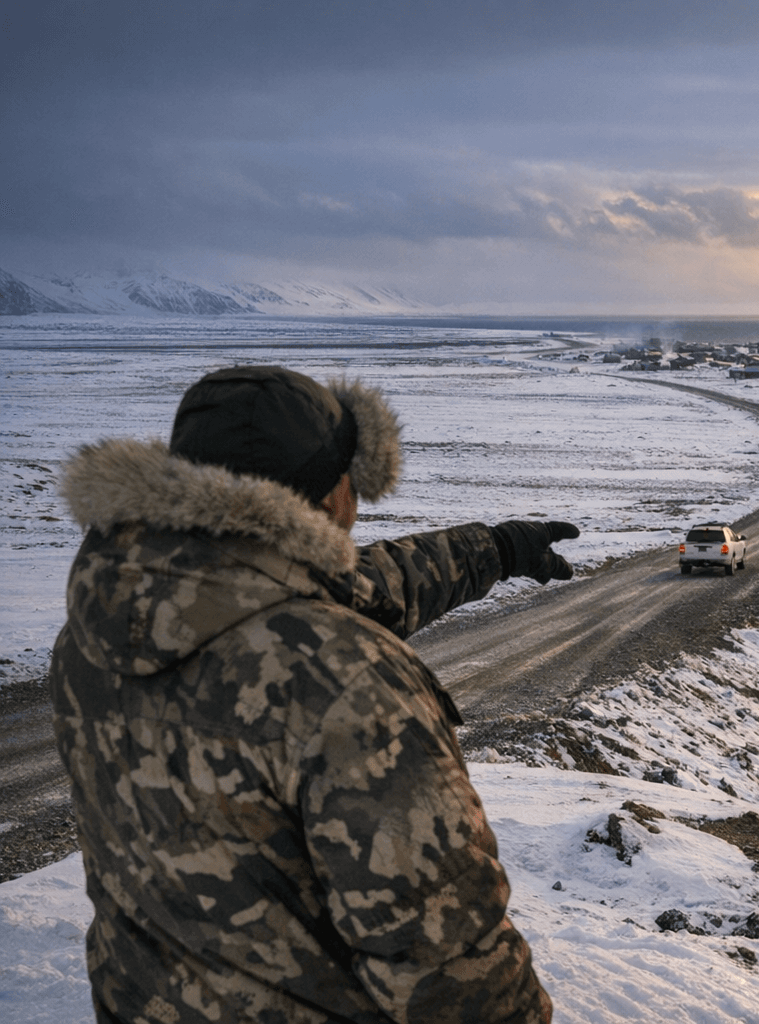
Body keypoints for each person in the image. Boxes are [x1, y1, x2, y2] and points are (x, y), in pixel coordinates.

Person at [51, 366, 577, 1024]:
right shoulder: (346, 681)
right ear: (331, 497)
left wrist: (494, 549)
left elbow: (319, 587)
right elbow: (445, 959)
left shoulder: (97, 633)